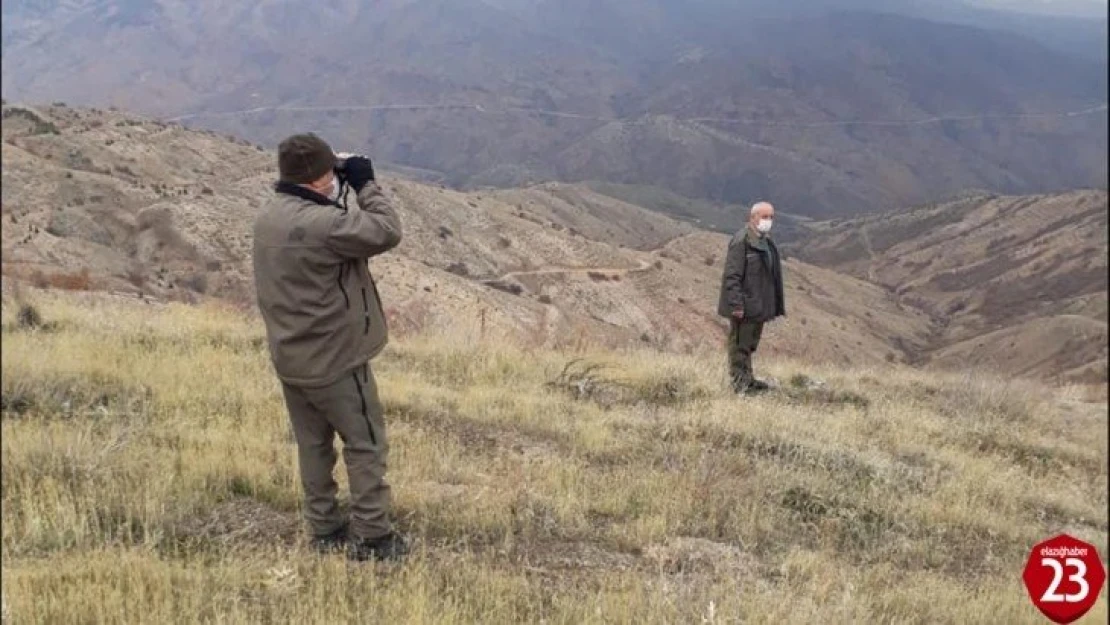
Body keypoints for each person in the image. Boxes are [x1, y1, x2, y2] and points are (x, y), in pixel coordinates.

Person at [252, 133, 406, 561]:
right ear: (322, 178)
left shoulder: (270, 216)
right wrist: (364, 184)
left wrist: (329, 188)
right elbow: (386, 231)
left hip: (292, 357)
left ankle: (324, 529)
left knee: (313, 445)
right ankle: (374, 538)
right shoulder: (323, 225)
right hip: (336, 360)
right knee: (365, 443)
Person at [717, 201, 785, 395]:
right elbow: (732, 275)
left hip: (759, 305)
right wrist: (737, 304)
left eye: (771, 217)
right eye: (764, 217)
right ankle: (740, 385)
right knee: (739, 345)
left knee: (750, 344)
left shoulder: (765, 241)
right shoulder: (742, 242)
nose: (768, 221)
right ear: (752, 217)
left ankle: (748, 380)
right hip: (745, 306)